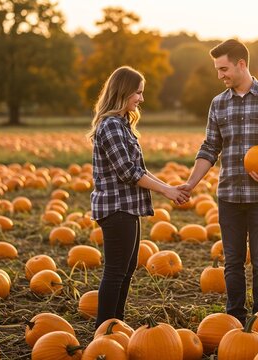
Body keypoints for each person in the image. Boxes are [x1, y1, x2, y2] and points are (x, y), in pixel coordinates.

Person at [179, 39, 258, 324]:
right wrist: (190, 183)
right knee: (232, 262)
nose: (220, 76)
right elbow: (209, 148)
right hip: (229, 195)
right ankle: (234, 319)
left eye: (223, 69)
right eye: (218, 70)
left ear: (241, 64)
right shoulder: (218, 104)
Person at [88, 66, 190, 328]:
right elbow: (128, 172)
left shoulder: (122, 124)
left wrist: (169, 188)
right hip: (116, 209)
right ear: (123, 92)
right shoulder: (111, 126)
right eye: (138, 93)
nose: (141, 99)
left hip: (128, 208)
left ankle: (115, 324)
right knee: (115, 272)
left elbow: (140, 170)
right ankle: (106, 330)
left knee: (126, 270)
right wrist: (166, 190)